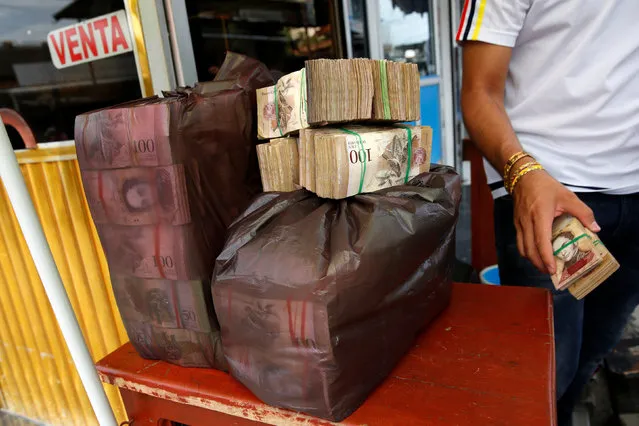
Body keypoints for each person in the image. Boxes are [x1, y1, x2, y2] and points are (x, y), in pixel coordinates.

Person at [457, 1, 639, 424]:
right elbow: (479, 90)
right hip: (552, 193)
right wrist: (522, 171)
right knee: (548, 373)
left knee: (593, 350)